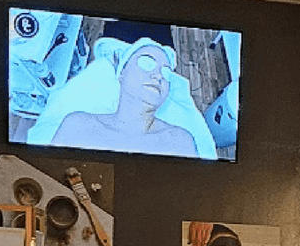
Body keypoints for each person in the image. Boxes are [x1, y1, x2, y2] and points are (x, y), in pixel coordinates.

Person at [27, 28, 219, 158]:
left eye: (167, 72)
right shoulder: (77, 123)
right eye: (147, 63)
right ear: (121, 74)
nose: (158, 75)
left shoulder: (181, 140)